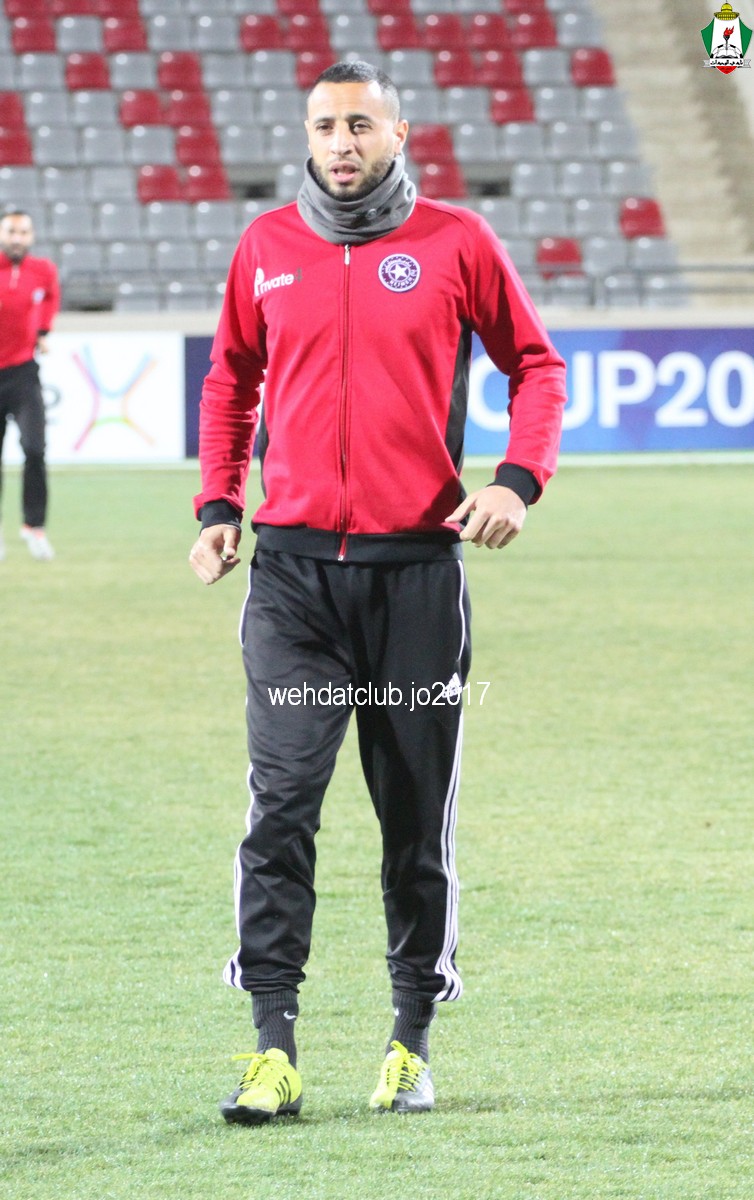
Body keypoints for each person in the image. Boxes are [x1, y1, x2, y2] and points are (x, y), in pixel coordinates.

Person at [189, 60, 567, 1125]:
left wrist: (517, 480)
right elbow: (230, 379)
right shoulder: (266, 247)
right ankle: (272, 1048)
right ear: (306, 137)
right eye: (324, 125)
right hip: (293, 583)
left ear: (399, 133)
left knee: (412, 822)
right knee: (282, 805)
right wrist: (218, 502)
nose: (341, 141)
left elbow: (536, 367)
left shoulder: (456, 241)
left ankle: (410, 1043)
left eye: (360, 124)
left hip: (416, 584)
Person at [0, 207, 59, 563]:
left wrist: (43, 330)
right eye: (11, 231)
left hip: (24, 373)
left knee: (35, 448)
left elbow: (51, 298)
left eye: (23, 232)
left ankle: (34, 527)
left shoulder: (43, 270)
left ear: (31, 236)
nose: (17, 238)